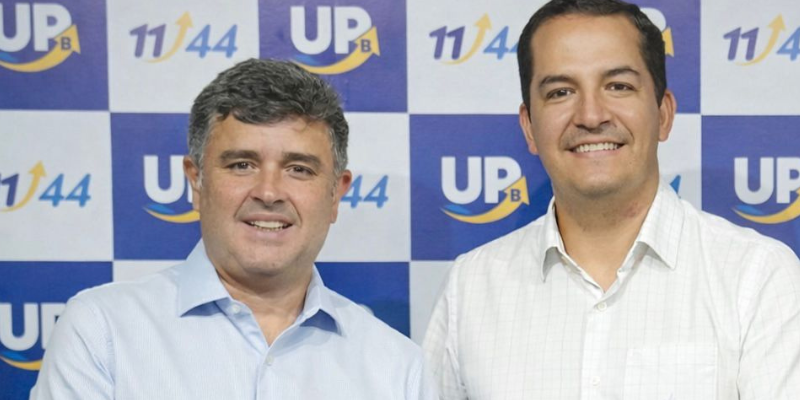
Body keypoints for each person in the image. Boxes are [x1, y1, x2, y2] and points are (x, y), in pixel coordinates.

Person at [423, 0, 800, 399]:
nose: (591, 115)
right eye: (560, 92)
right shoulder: (471, 287)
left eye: (618, 86)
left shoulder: (757, 276)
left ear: (664, 114)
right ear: (529, 127)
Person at [32, 59, 435, 399]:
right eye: (242, 164)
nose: (269, 192)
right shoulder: (102, 331)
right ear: (196, 181)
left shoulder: (398, 368)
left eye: (299, 169)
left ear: (335, 194)